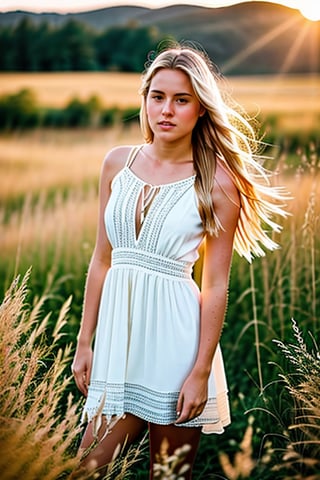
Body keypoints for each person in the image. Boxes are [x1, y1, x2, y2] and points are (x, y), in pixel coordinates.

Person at [71, 43, 287, 479]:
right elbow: (102, 258)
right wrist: (84, 341)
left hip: (177, 349)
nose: (166, 110)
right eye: (158, 96)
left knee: (168, 475)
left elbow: (216, 284)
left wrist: (200, 371)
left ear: (201, 108)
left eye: (182, 99)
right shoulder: (117, 163)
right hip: (118, 345)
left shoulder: (217, 181)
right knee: (86, 468)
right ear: (145, 99)